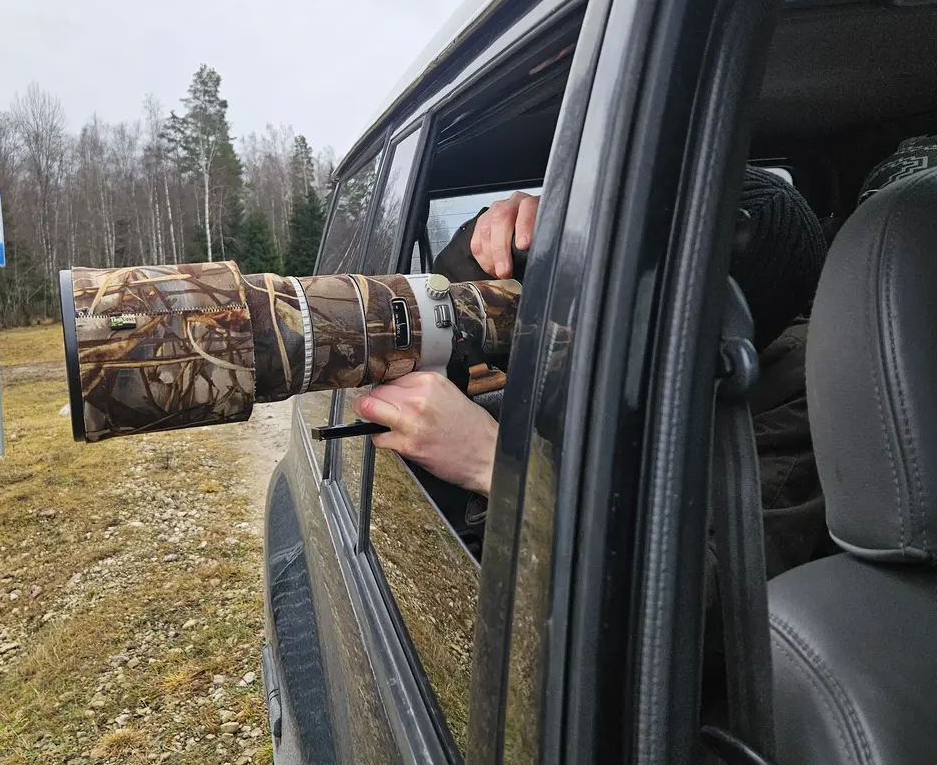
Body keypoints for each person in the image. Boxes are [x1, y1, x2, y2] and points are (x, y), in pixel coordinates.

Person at [355, 169, 829, 579]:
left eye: (634, 280)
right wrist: (485, 247)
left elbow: (707, 600)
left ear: (723, 332)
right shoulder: (635, 351)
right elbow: (459, 330)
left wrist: (495, 466)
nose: (594, 308)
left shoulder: (799, 401)